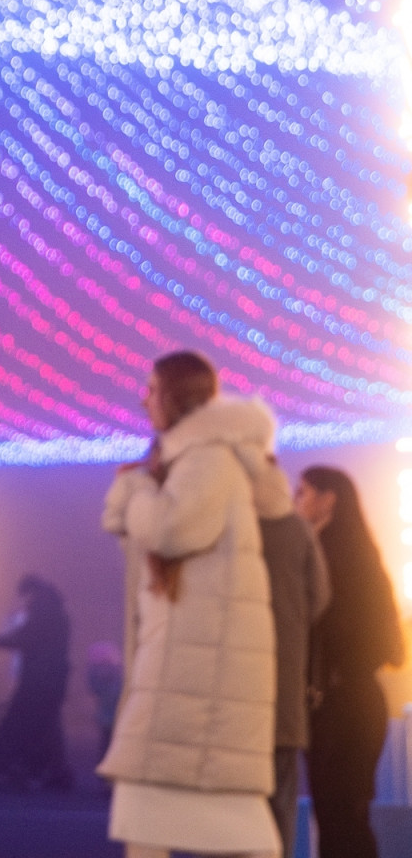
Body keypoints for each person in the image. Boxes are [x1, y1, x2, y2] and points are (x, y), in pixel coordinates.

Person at [98, 350, 282, 858]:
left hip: (196, 674)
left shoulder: (208, 456)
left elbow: (174, 530)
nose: (143, 398)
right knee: (170, 815)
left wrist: (134, 492)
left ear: (176, 396)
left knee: (166, 810)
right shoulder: (199, 457)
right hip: (193, 670)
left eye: (152, 388)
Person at [298, 465, 405, 858]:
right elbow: (392, 649)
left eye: (304, 492)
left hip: (337, 706)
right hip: (357, 703)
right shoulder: (364, 559)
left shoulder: (326, 559)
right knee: (347, 818)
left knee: (337, 819)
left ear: (329, 500)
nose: (297, 500)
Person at [259, 464, 329, 858]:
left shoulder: (226, 526)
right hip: (284, 690)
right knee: (281, 799)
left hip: (232, 698)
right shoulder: (297, 531)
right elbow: (319, 598)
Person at [0, 575, 72, 793]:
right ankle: (51, 770)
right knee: (47, 727)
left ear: (30, 592)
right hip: (54, 680)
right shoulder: (57, 609)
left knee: (20, 723)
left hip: (37, 680)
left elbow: (26, 637)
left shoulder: (41, 608)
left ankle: (7, 766)